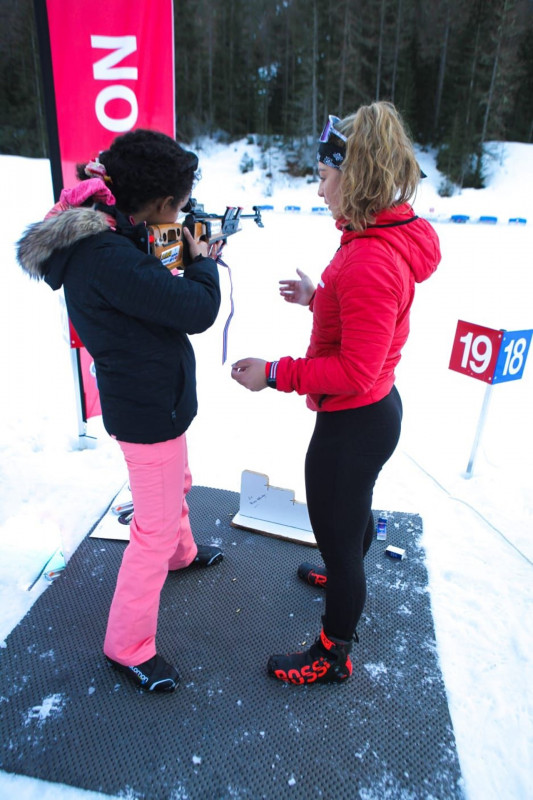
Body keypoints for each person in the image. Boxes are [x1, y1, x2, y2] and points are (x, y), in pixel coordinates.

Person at [231, 101, 441, 685]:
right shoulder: (372, 234)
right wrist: (318, 298)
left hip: (356, 420)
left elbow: (354, 370)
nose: (319, 190)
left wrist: (275, 373)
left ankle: (332, 653)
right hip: (368, 415)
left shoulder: (371, 258)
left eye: (324, 177)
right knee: (349, 513)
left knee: (339, 534)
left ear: (356, 177)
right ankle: (344, 562)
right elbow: (361, 321)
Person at [17, 129, 224, 693]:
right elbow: (197, 308)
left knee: (177, 483)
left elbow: (144, 264)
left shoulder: (106, 230)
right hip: (146, 407)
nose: (178, 217)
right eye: (176, 207)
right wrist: (203, 259)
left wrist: (174, 239)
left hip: (154, 396)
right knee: (152, 529)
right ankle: (127, 646)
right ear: (157, 203)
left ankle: (182, 553)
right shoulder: (106, 258)